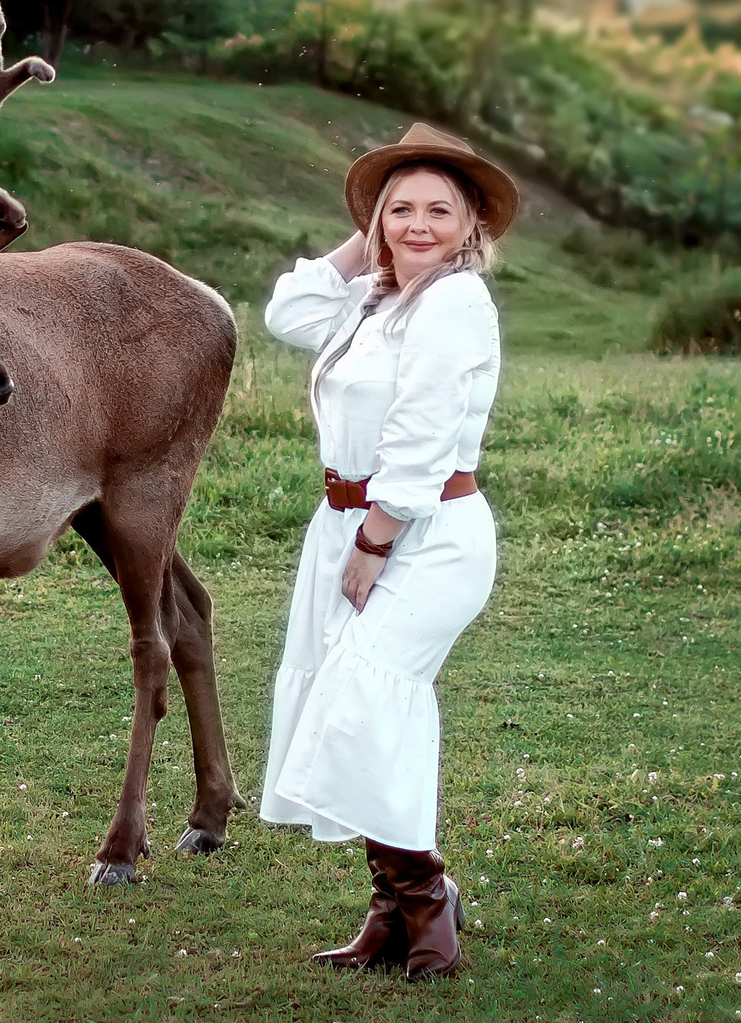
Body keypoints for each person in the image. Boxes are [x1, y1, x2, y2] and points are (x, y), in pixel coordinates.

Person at [258, 121, 515, 980]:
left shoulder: (454, 300)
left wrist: (375, 538)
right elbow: (285, 310)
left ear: (470, 222)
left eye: (439, 209)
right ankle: (391, 910)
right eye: (400, 208)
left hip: (426, 534)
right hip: (345, 526)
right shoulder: (373, 299)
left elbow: (422, 432)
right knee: (349, 704)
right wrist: (368, 234)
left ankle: (427, 896)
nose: (418, 225)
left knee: (368, 694)